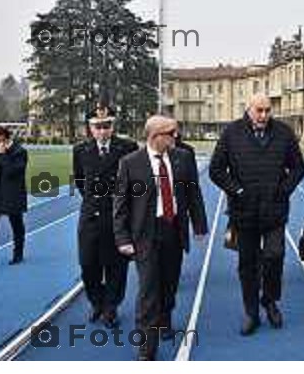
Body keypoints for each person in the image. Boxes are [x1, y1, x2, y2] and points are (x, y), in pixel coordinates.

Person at [209, 93, 304, 336]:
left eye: (267, 110)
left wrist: (283, 190)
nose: (264, 115)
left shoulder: (284, 133)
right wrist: (237, 190)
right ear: (248, 109)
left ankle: (270, 300)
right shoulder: (231, 133)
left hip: (275, 211)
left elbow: (298, 168)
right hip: (244, 212)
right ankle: (251, 312)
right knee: (247, 265)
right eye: (259, 110)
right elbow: (216, 170)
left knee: (275, 256)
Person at [113, 115, 208, 360]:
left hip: (174, 229)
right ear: (155, 136)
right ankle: (146, 347)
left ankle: (165, 316)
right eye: (171, 133)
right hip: (145, 233)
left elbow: (193, 192)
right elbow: (121, 204)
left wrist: (199, 224)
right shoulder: (130, 163)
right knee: (148, 290)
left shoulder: (182, 158)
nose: (176, 137)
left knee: (169, 283)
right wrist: (123, 238)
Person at [73, 105, 138, 328]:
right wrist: (93, 201)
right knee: (88, 265)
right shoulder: (80, 150)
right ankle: (97, 302)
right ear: (90, 128)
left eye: (107, 126)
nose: (102, 131)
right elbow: (81, 181)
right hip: (90, 216)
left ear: (113, 126)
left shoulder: (127, 147)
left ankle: (111, 307)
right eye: (98, 126)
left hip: (117, 217)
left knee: (116, 267)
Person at [0, 126, 28, 267]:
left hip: (13, 195)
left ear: (3, 136)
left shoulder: (20, 152)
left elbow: (12, 172)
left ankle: (18, 254)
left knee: (16, 225)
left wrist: (4, 154)